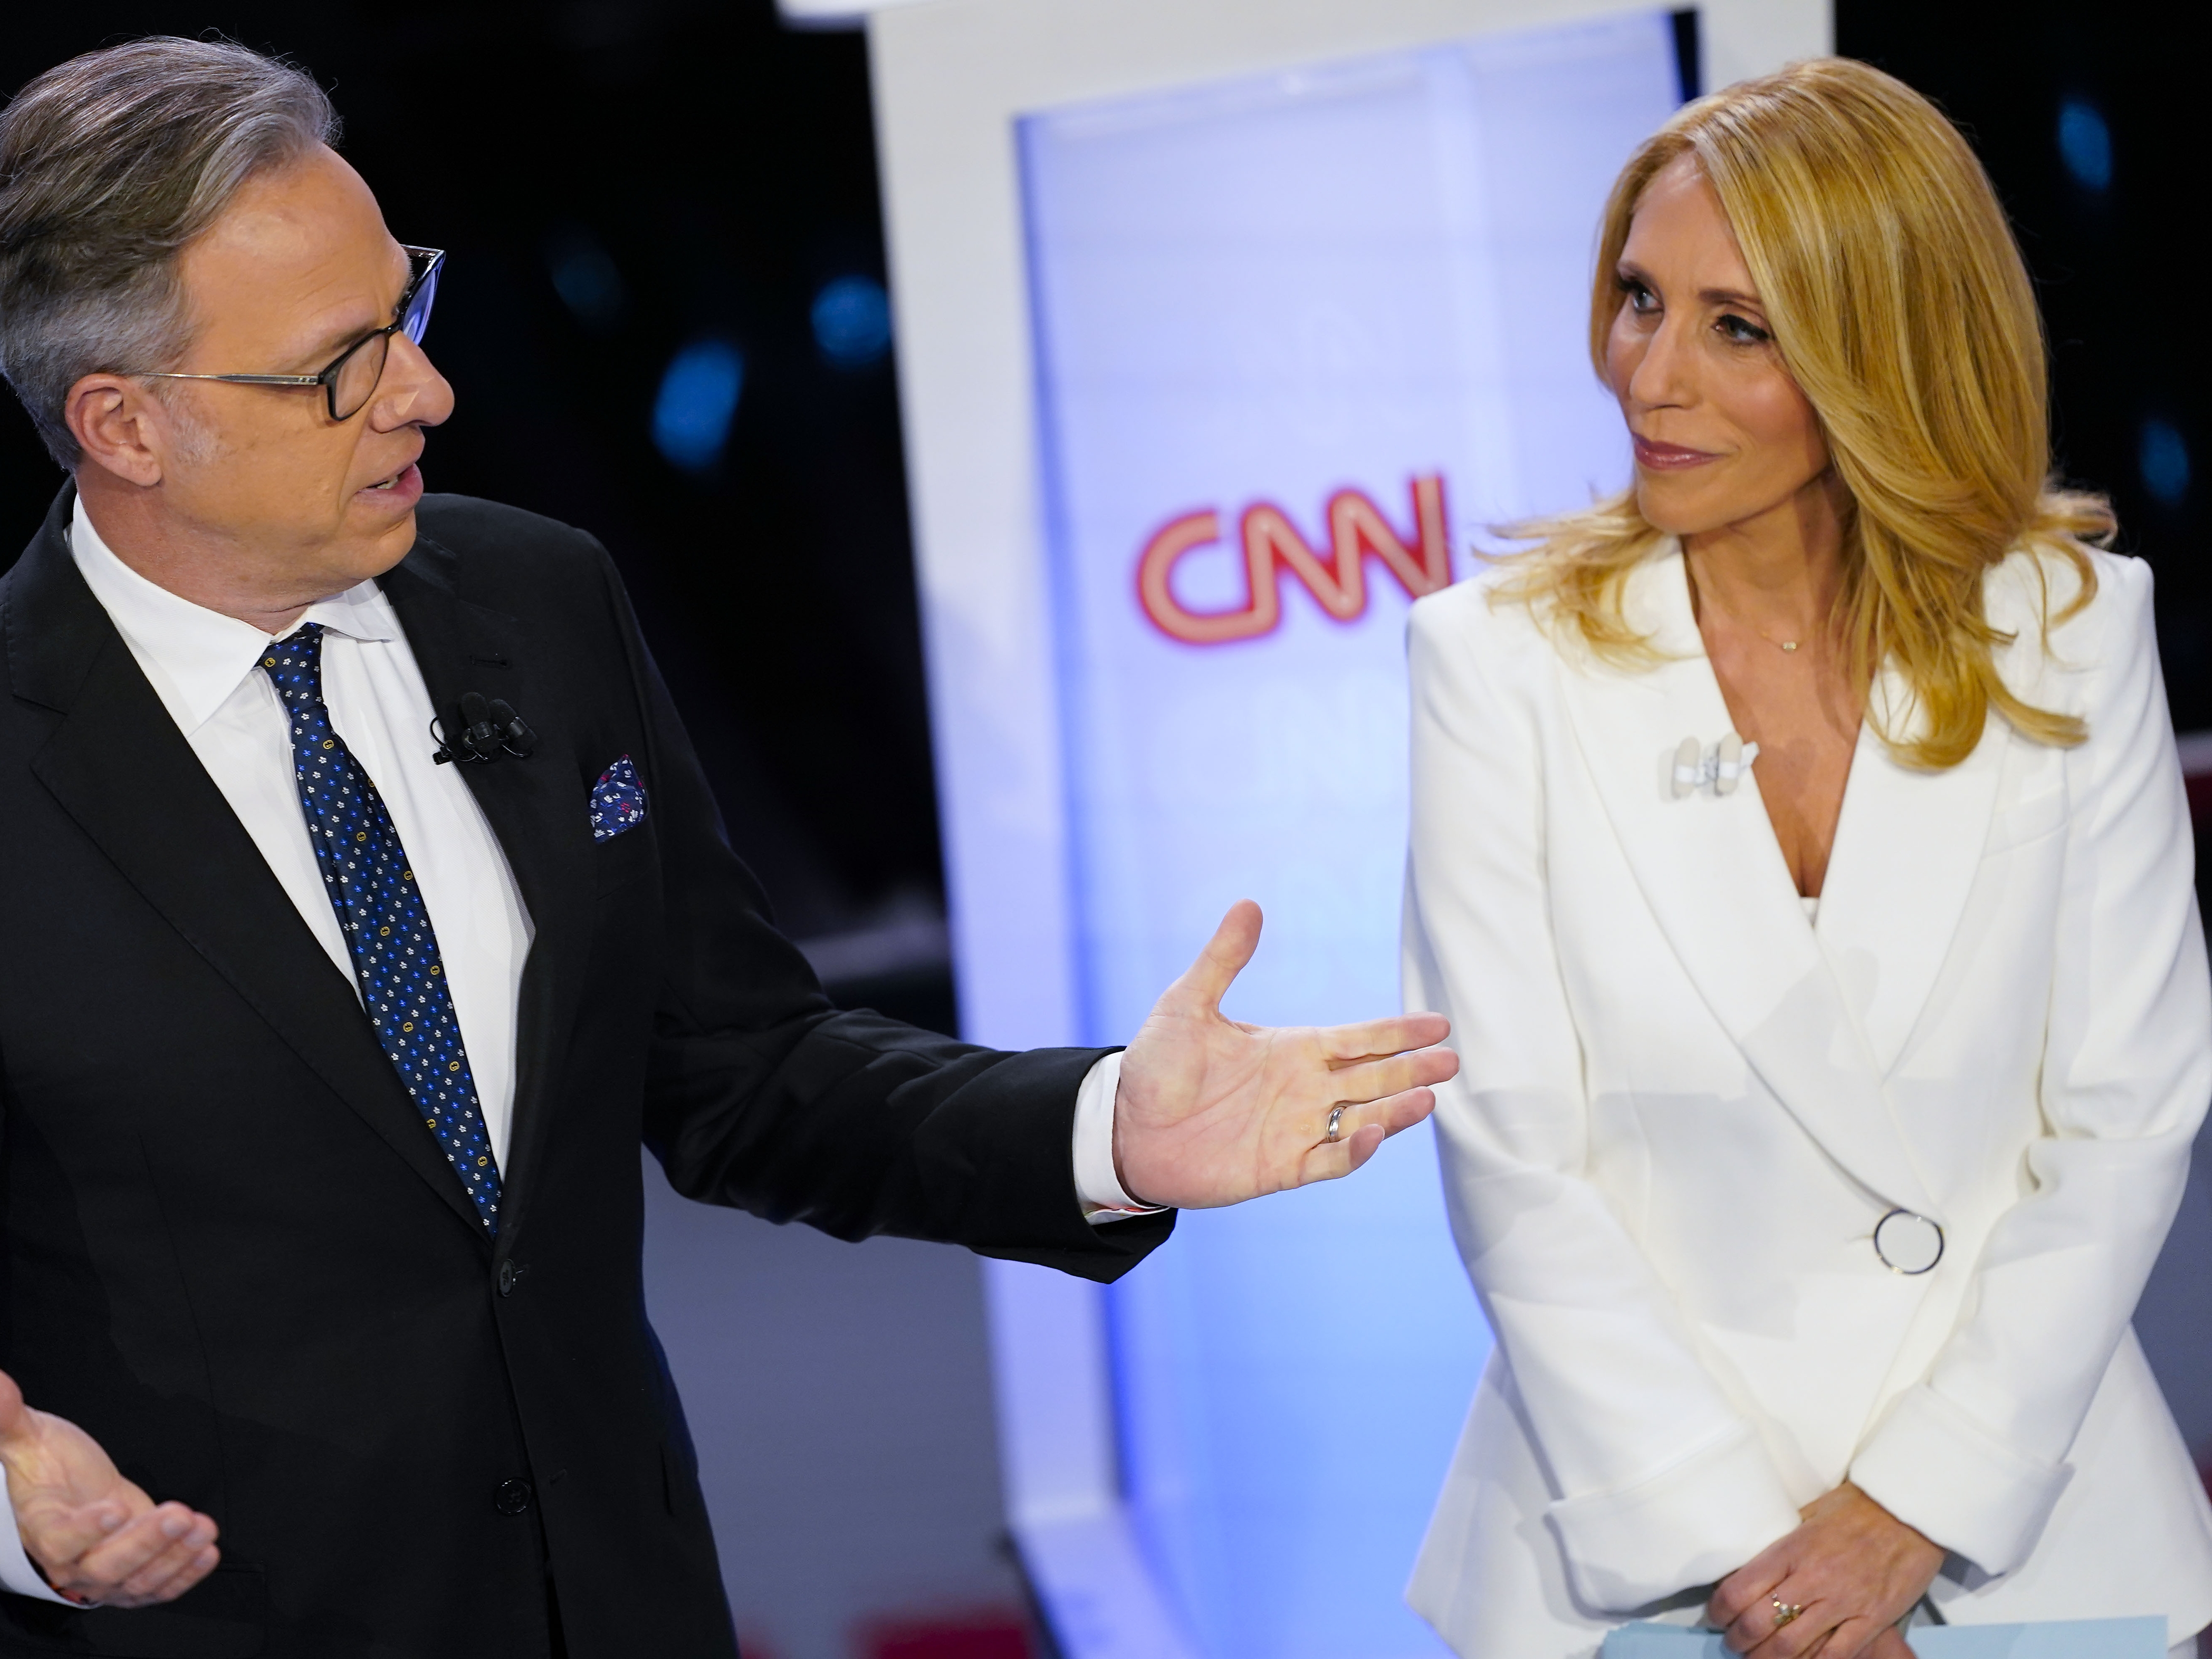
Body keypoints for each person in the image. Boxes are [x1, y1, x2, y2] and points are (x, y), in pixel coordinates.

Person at [0, 37, 1458, 1659]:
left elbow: (745, 1074)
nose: (425, 390)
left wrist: (1107, 1129)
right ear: (125, 425)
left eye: (403, 309)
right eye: (339, 364)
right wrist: (10, 1508)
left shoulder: (535, 603)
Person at [1401, 56, 2212, 1659]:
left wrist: (1917, 1510)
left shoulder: (2068, 632)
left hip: (2026, 1540)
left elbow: (2131, 1113)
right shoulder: (1494, 664)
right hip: (1639, 1553)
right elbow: (1512, 1158)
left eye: (1736, 327)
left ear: (1882, 349)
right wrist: (1751, 1567)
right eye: (1639, 298)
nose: (1651, 377)